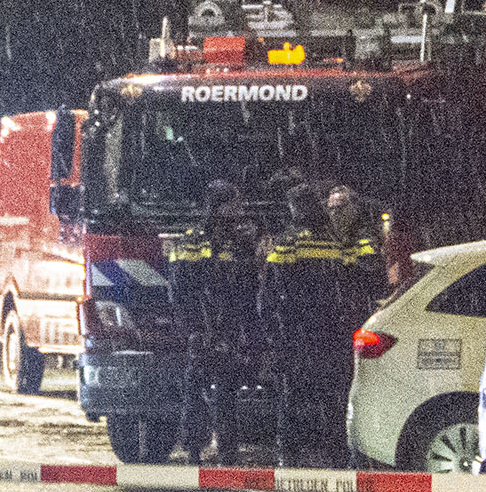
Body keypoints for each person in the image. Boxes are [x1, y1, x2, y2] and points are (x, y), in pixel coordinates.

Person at [260, 183, 385, 462]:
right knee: (331, 395)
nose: (335, 213)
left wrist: (272, 330)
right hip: (328, 329)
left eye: (340, 208)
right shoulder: (334, 241)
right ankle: (336, 454)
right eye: (331, 208)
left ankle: (291, 454)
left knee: (296, 394)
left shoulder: (289, 241)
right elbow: (352, 280)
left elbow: (270, 290)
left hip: (300, 330)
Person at [165, 180, 263, 461]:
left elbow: (247, 289)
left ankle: (227, 453)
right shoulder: (192, 240)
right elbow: (180, 290)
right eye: (233, 204)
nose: (239, 209)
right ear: (220, 206)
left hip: (229, 327)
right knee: (194, 390)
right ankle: (193, 449)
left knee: (226, 392)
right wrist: (193, 328)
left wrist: (247, 332)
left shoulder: (239, 242)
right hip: (202, 327)